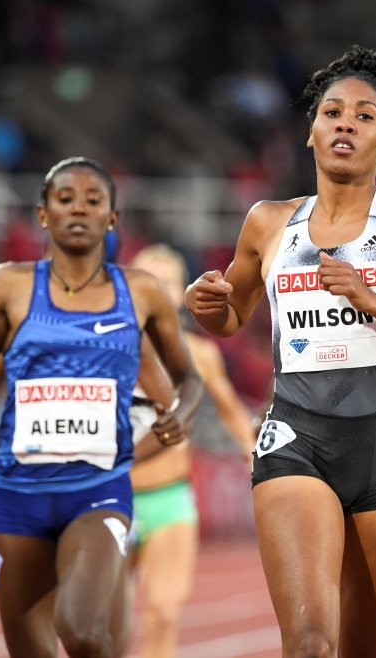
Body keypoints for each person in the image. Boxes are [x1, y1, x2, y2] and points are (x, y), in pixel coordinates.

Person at [185, 46, 376, 657]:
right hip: (297, 439)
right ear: (311, 132)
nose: (346, 123)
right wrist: (209, 307)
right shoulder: (269, 222)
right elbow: (235, 315)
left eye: (365, 115)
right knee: (310, 645)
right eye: (331, 111)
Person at [0, 157, 203, 658]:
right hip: (16, 496)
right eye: (65, 199)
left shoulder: (140, 293)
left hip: (97, 490)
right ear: (42, 214)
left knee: (84, 634)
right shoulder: (8, 286)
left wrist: (176, 418)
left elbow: (188, 381)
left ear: (112, 218)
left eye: (93, 200)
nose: (79, 209)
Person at [129, 244, 255, 658]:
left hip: (169, 499)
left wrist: (253, 450)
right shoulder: (107, 349)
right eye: (150, 281)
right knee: (101, 618)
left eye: (167, 282)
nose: (159, 290)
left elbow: (231, 410)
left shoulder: (200, 354)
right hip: (111, 498)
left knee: (163, 614)